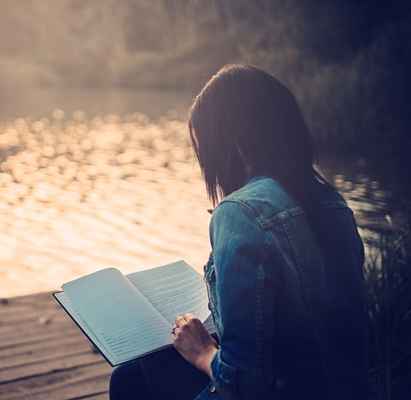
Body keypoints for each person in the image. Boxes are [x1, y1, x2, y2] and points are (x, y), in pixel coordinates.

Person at [109, 64, 369, 399]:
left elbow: (242, 384)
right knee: (132, 373)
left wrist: (203, 350)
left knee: (133, 374)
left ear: (229, 143)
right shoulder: (333, 203)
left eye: (203, 148)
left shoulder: (241, 212)